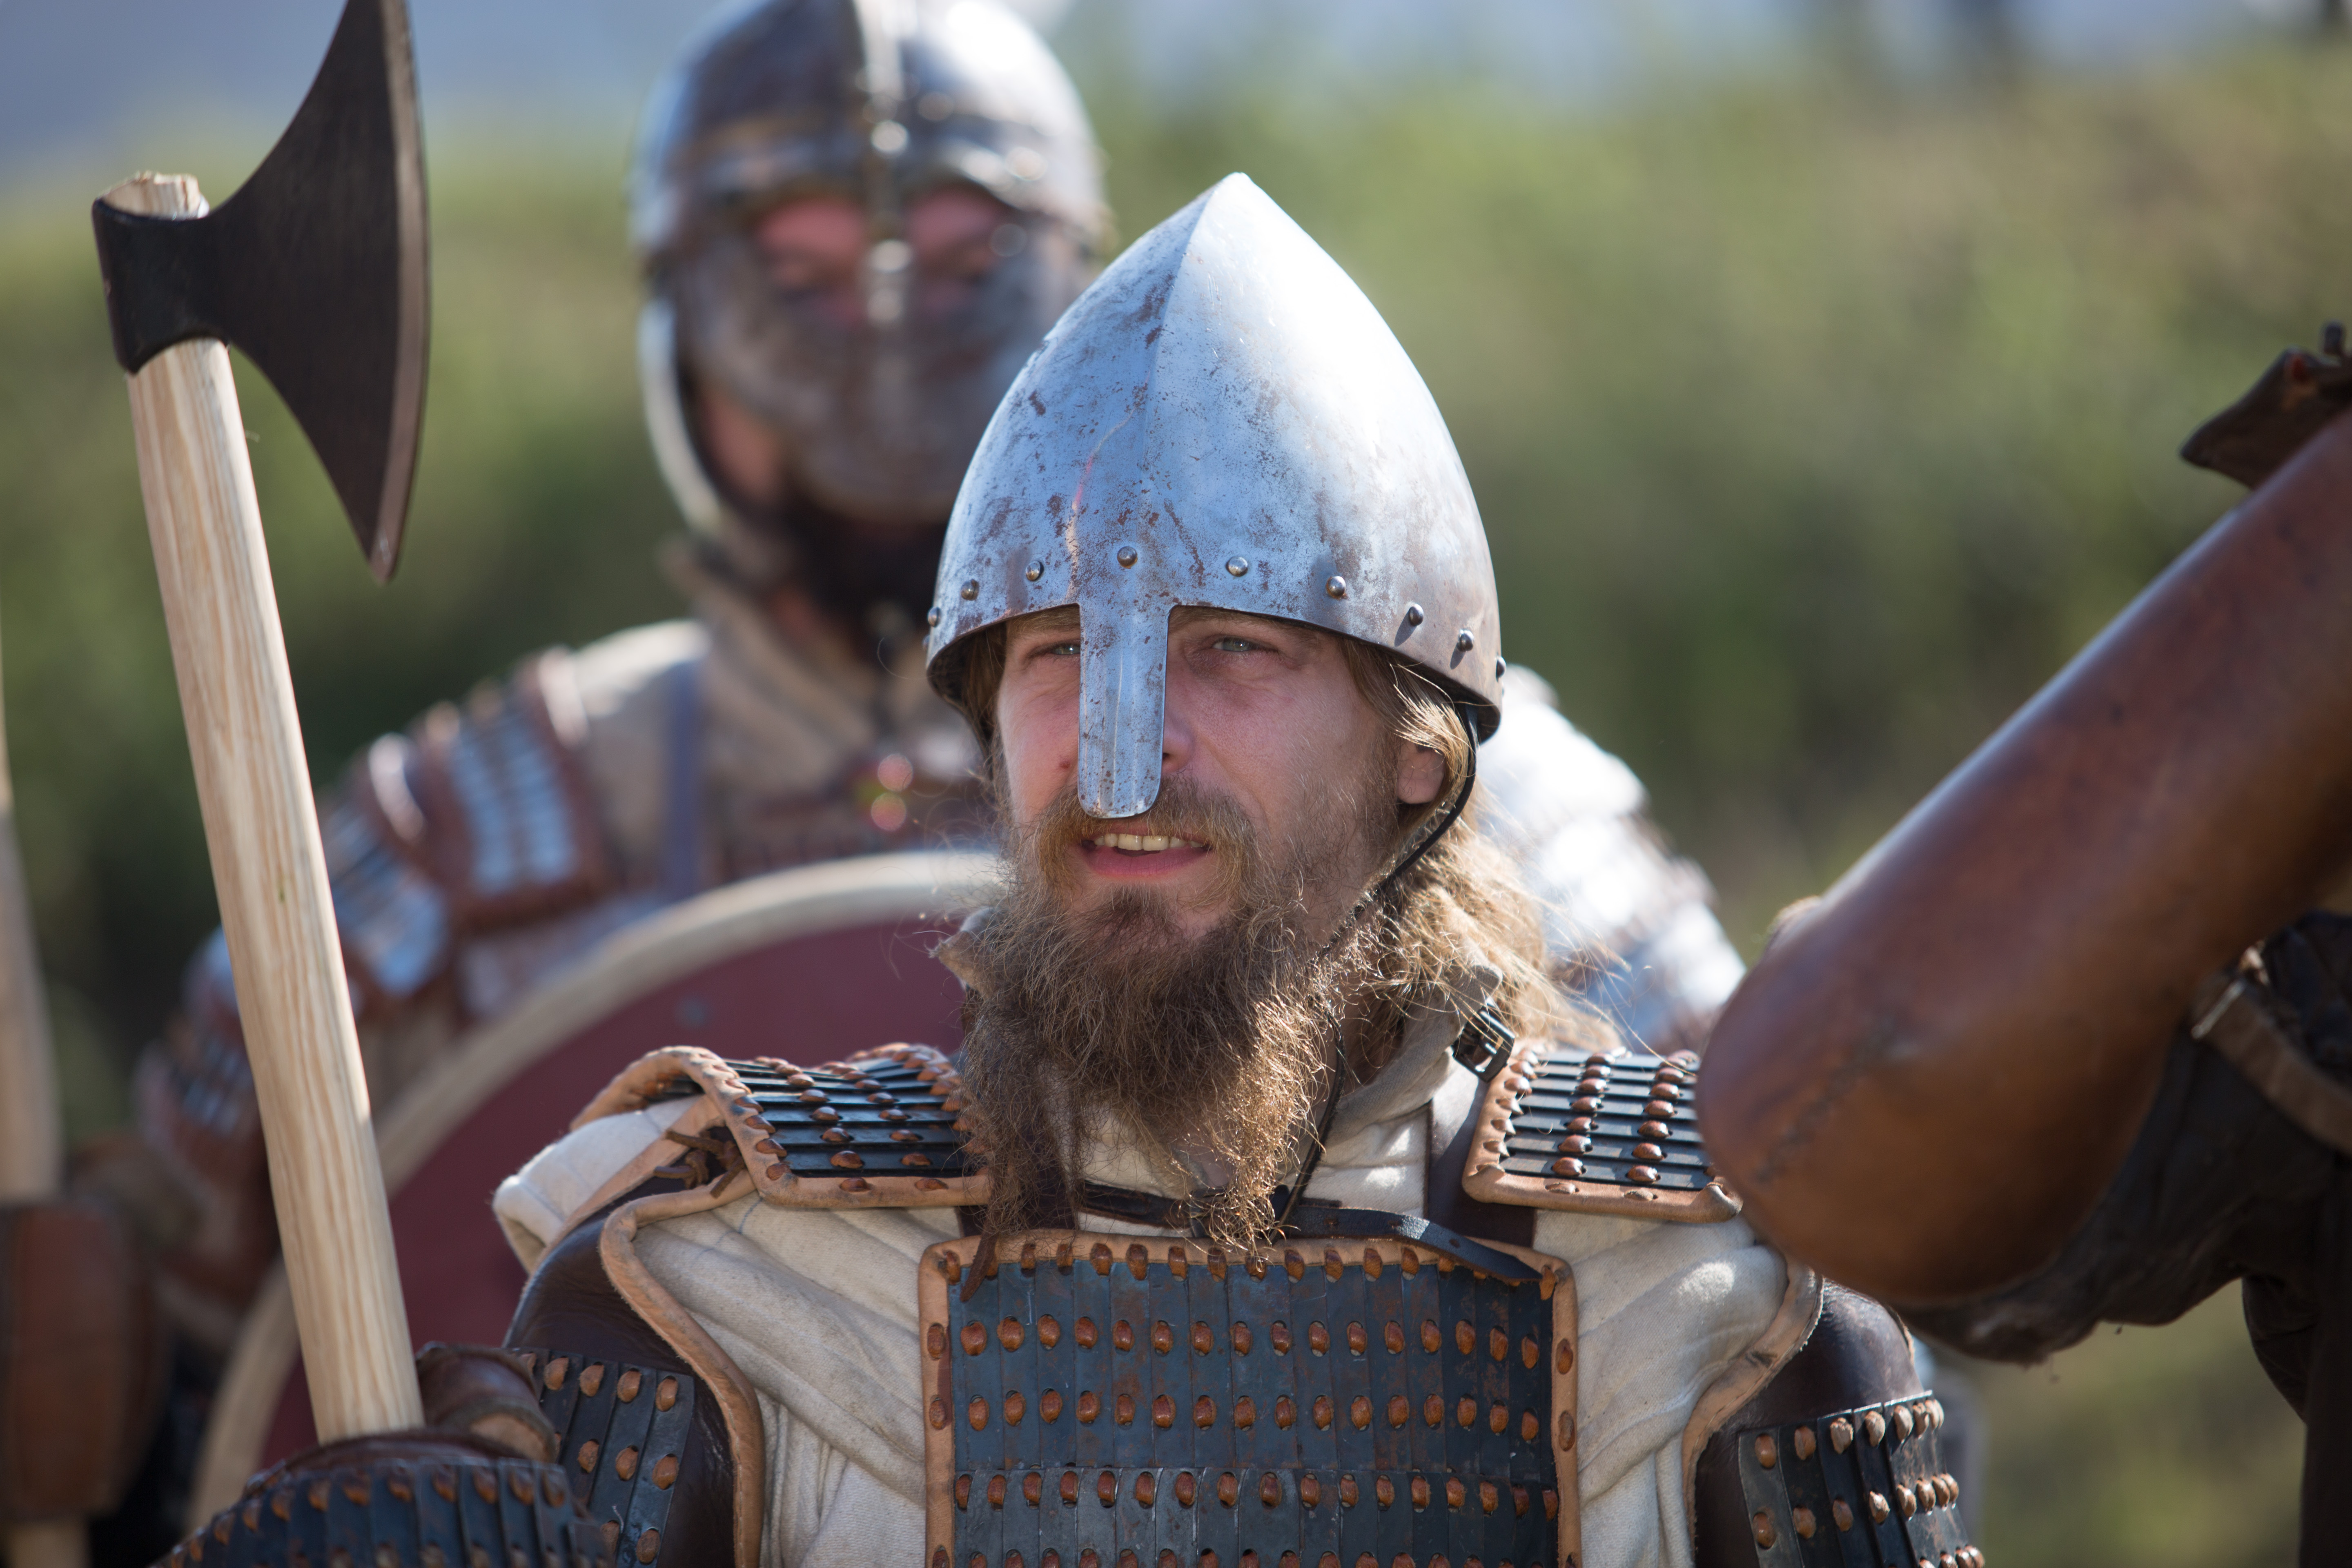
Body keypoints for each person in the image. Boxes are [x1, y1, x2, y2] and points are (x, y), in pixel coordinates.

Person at [25, 3, 1739, 1558]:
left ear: (1416, 763)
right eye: (803, 257)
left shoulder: (1502, 786)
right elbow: (176, 1353)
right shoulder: (485, 826)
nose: (887, 314)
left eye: (961, 245)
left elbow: (1779, 1188)